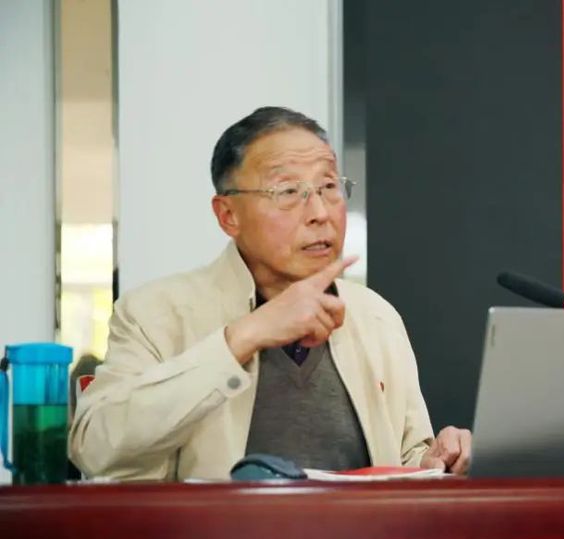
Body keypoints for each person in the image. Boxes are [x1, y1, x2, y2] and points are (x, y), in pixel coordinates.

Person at [70, 107, 471, 480]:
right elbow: (94, 447)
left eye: (329, 186)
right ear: (228, 215)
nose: (320, 213)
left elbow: (405, 458)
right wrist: (245, 337)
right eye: (288, 192)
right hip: (216, 537)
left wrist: (436, 459)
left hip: (360, 537)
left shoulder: (376, 317)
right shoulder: (156, 313)